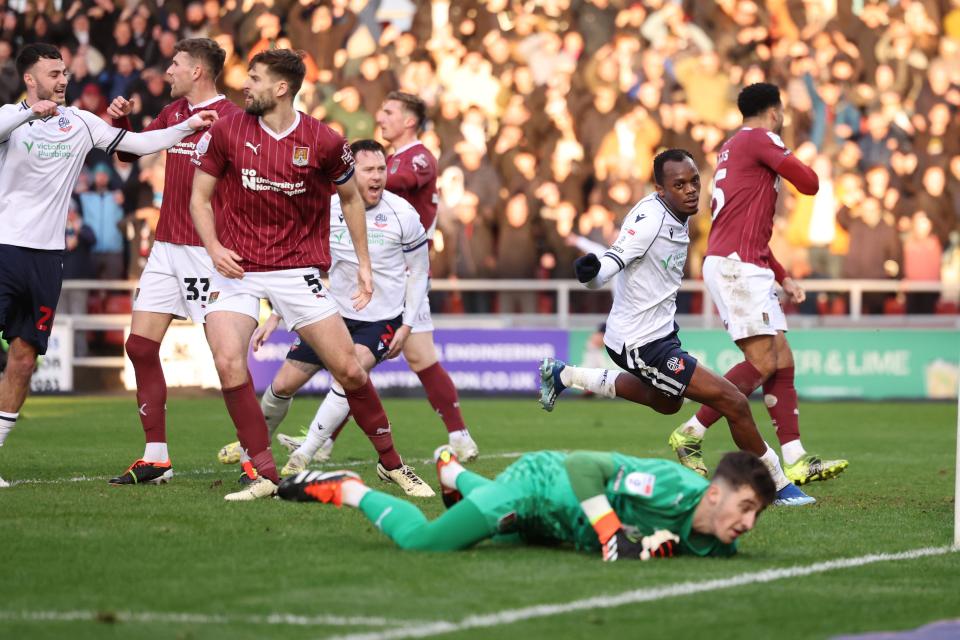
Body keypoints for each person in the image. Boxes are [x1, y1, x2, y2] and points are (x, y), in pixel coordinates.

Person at [189, 49, 419, 501]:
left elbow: (351, 200)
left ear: (281, 88)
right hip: (238, 267)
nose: (245, 85)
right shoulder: (228, 129)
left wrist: (365, 265)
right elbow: (200, 198)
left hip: (297, 271)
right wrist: (214, 248)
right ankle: (264, 474)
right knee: (228, 361)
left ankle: (392, 465)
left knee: (350, 370)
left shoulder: (323, 140)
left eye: (254, 79)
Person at [538, 149, 814, 506]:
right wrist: (592, 274)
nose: (690, 190)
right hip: (641, 343)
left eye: (694, 181)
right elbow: (613, 259)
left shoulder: (679, 214)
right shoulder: (649, 220)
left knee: (668, 403)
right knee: (732, 400)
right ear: (660, 189)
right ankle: (776, 484)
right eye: (679, 185)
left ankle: (566, 376)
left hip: (659, 333)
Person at [0, 43, 217, 488]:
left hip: (47, 259)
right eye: (52, 73)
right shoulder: (12, 120)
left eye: (64, 72)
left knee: (23, 359)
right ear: (29, 79)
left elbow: (136, 143)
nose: (62, 80)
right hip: (4, 249)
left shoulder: (79, 121)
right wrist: (28, 112)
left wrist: (188, 125)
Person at [218, 139, 434, 496]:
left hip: (380, 320)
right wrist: (276, 314)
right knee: (283, 385)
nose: (377, 177)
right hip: (330, 314)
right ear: (352, 173)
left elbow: (419, 271)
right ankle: (252, 448)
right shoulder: (329, 209)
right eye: (368, 170)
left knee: (352, 373)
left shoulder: (403, 214)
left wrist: (407, 323)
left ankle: (305, 453)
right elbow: (303, 265)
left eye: (381, 169)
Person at [276, 90, 480, 462]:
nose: (380, 117)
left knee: (408, 360)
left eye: (389, 112)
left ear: (409, 121)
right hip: (380, 273)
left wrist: (334, 171)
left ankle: (460, 437)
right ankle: (327, 442)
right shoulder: (394, 158)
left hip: (400, 277)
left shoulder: (416, 158)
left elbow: (381, 185)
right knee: (382, 362)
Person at [671, 83, 848, 486]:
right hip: (738, 266)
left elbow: (744, 225)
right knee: (765, 360)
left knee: (781, 358)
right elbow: (810, 183)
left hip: (742, 260)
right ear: (775, 111)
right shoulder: (760, 139)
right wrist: (807, 157)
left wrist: (781, 274)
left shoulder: (733, 147)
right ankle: (691, 432)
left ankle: (796, 457)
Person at [103, 38, 244, 486]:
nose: (168, 71)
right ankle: (156, 458)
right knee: (140, 347)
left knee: (226, 361)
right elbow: (132, 151)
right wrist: (121, 121)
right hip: (166, 247)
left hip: (209, 251)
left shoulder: (235, 119)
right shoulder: (175, 113)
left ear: (198, 71)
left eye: (176, 64)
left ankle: (255, 460)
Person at [277, 447, 775, 560]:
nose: (750, 523)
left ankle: (452, 471)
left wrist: (643, 545)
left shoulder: (718, 543)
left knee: (492, 526)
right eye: (747, 507)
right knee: (425, 542)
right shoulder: (667, 484)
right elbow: (582, 466)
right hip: (538, 488)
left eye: (757, 514)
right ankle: (348, 488)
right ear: (714, 493)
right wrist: (612, 536)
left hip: (557, 528)